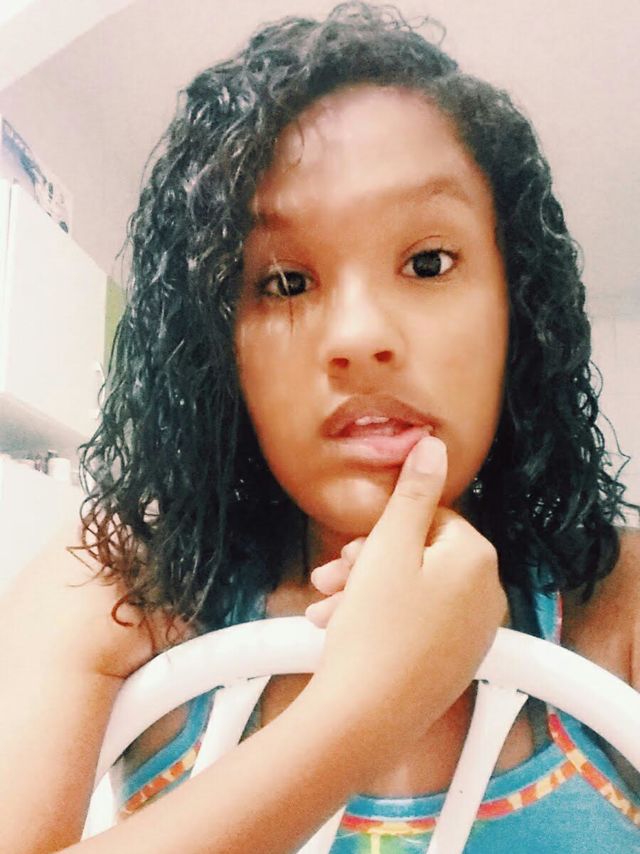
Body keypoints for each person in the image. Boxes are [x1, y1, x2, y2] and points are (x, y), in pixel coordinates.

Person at [2, 3, 639, 852]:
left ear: (516, 308)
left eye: (427, 263)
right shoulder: (121, 583)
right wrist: (366, 707)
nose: (359, 337)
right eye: (286, 282)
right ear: (216, 342)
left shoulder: (621, 600)